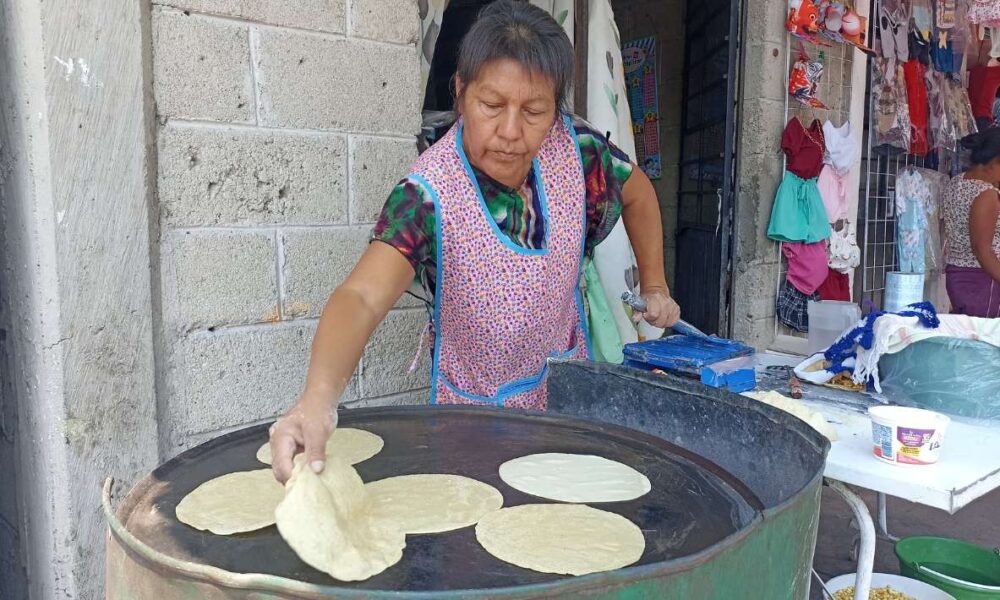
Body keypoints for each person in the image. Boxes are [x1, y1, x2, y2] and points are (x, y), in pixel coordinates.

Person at [269, 0, 680, 483]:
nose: (510, 132)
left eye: (533, 111)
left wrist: (655, 284)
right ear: (461, 93)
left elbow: (639, 194)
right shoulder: (428, 194)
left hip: (565, 394)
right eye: (491, 106)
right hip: (472, 414)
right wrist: (318, 399)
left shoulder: (578, 150)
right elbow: (361, 296)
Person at [942, 128, 1000, 317]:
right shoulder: (986, 194)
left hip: (958, 274)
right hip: (984, 279)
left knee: (970, 338)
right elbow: (982, 249)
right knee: (985, 341)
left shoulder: (956, 183)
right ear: (995, 162)